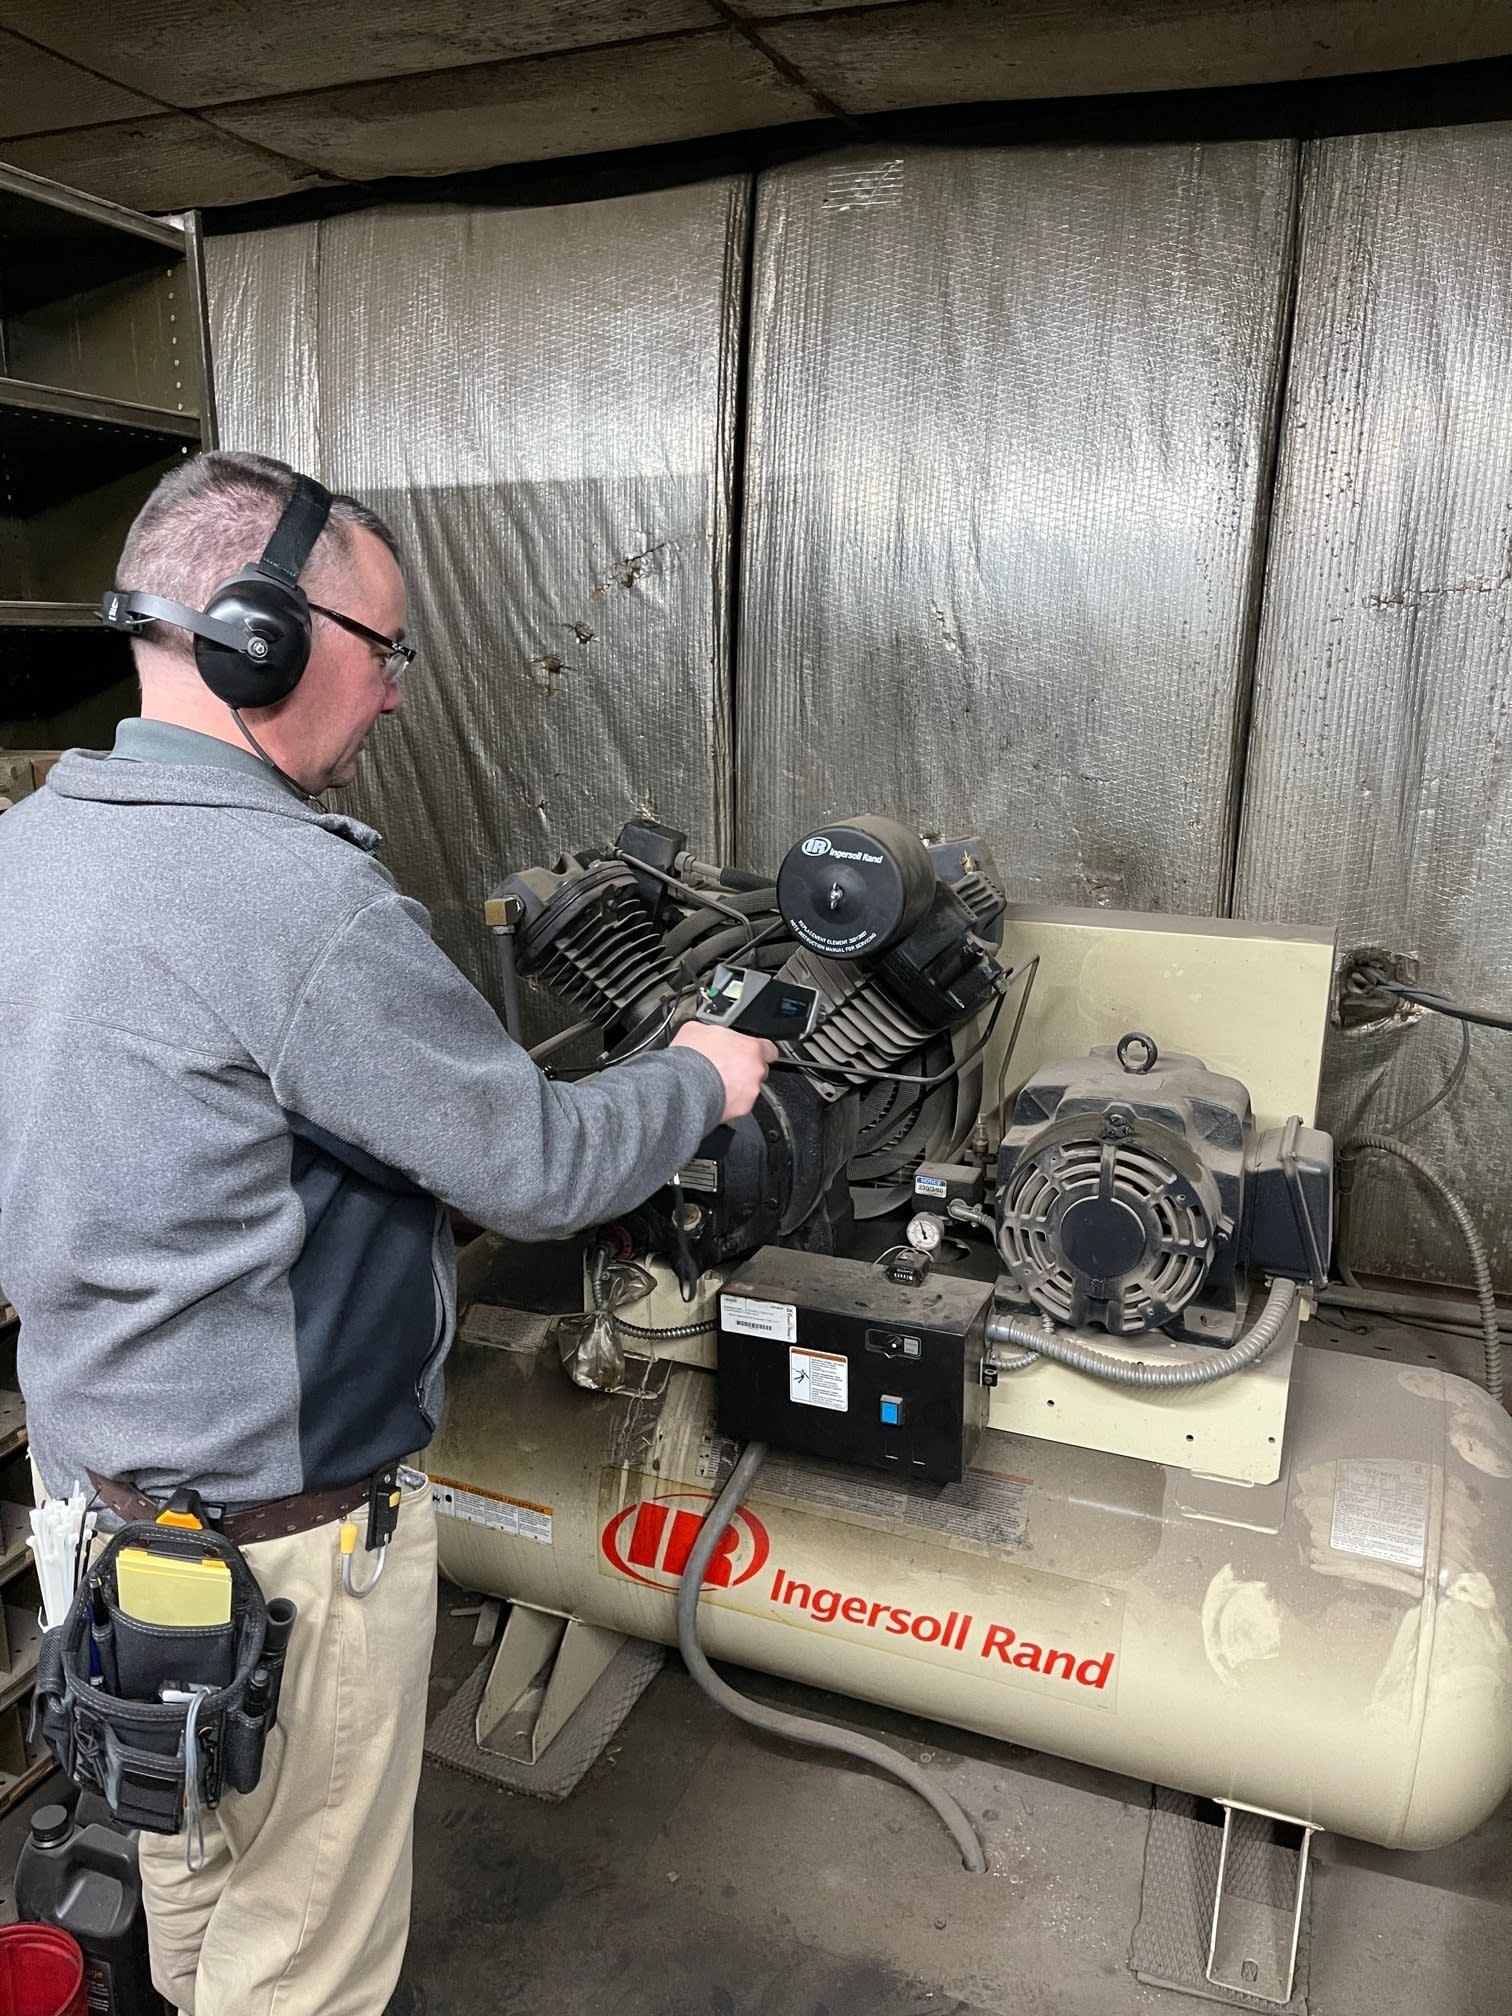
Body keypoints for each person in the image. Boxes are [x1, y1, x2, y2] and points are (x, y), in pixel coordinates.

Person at [0, 450, 774, 2016]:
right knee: (310, 1966)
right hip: (282, 1555)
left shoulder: (33, 850)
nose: (400, 694)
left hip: (98, 1513)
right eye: (386, 649)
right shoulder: (305, 903)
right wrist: (698, 1079)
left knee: (196, 1878)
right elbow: (539, 1169)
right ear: (259, 638)